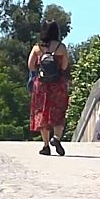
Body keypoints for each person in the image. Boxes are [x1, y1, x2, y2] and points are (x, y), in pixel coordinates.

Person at [28, 20, 70, 156]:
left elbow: (30, 66)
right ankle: (56, 138)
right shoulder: (61, 48)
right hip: (58, 84)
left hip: (42, 85)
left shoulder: (37, 48)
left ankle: (46, 145)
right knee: (58, 112)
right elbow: (64, 67)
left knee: (42, 113)